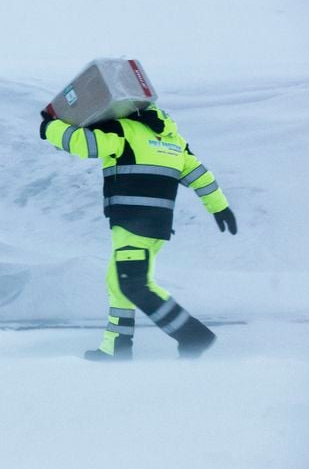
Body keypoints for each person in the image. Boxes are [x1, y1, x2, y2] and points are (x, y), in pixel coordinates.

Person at [39, 104, 237, 361]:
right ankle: (116, 347)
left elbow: (84, 144)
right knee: (117, 281)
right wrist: (220, 207)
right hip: (155, 226)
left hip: (133, 223)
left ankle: (192, 335)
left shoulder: (124, 130)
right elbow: (200, 175)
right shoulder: (173, 141)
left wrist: (50, 127)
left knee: (133, 284)